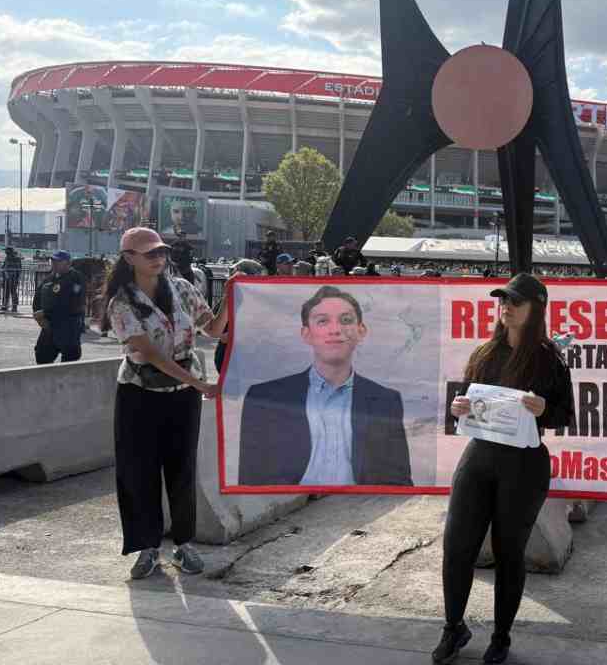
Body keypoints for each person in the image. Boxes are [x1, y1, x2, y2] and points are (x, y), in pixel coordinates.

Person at [434, 273, 573, 664]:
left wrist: (545, 409)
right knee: (456, 546)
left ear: (536, 309)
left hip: (524, 466)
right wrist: (457, 407)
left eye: (515, 301)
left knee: (509, 553)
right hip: (479, 458)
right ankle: (453, 627)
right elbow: (463, 402)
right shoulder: (484, 353)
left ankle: (501, 636)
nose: (506, 307)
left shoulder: (549, 359)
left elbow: (565, 414)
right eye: (502, 301)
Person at [102, 227, 229, 579]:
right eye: (149, 254)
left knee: (181, 468)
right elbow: (152, 355)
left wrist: (233, 295)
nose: (159, 258)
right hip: (139, 393)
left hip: (182, 395)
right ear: (129, 258)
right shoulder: (122, 302)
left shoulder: (183, 289)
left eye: (161, 252)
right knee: (138, 471)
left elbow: (213, 330)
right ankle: (147, 548)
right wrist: (200, 382)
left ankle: (184, 545)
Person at [238, 285, 412, 486]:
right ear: (306, 334)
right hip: (295, 510)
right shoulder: (265, 398)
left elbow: (399, 480)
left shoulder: (385, 400)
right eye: (322, 321)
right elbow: (251, 478)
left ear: (361, 331)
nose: (335, 329)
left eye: (346, 320)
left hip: (360, 507)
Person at [32, 251, 87, 364]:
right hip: (49, 326)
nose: (54, 263)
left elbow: (72, 303)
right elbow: (37, 297)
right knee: (42, 355)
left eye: (58, 261)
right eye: (53, 261)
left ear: (68, 263)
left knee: (69, 361)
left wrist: (45, 313)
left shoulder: (76, 278)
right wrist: (39, 317)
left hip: (68, 327)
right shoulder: (49, 279)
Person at [212, 259, 264, 375]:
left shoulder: (260, 302)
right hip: (229, 358)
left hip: (251, 359)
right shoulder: (228, 301)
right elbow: (218, 332)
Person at [2, 245, 21, 312]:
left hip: (13, 278)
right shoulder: (7, 258)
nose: (5, 252)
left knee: (13, 292)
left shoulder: (16, 258)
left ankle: (14, 306)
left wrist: (17, 278)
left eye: (6, 250)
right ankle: (5, 305)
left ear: (9, 251)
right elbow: (4, 267)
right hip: (7, 278)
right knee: (6, 292)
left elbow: (18, 269)